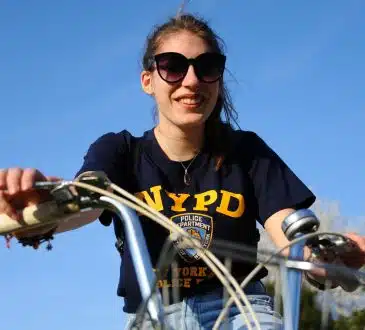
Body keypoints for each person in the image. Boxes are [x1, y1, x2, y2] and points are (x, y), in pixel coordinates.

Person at [1, 13, 365, 330]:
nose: (191, 80)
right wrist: (39, 209)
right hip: (153, 316)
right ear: (149, 81)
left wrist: (329, 260)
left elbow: (293, 239)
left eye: (206, 68)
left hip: (241, 311)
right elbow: (89, 199)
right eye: (173, 66)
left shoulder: (247, 152)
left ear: (218, 80)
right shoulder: (120, 151)